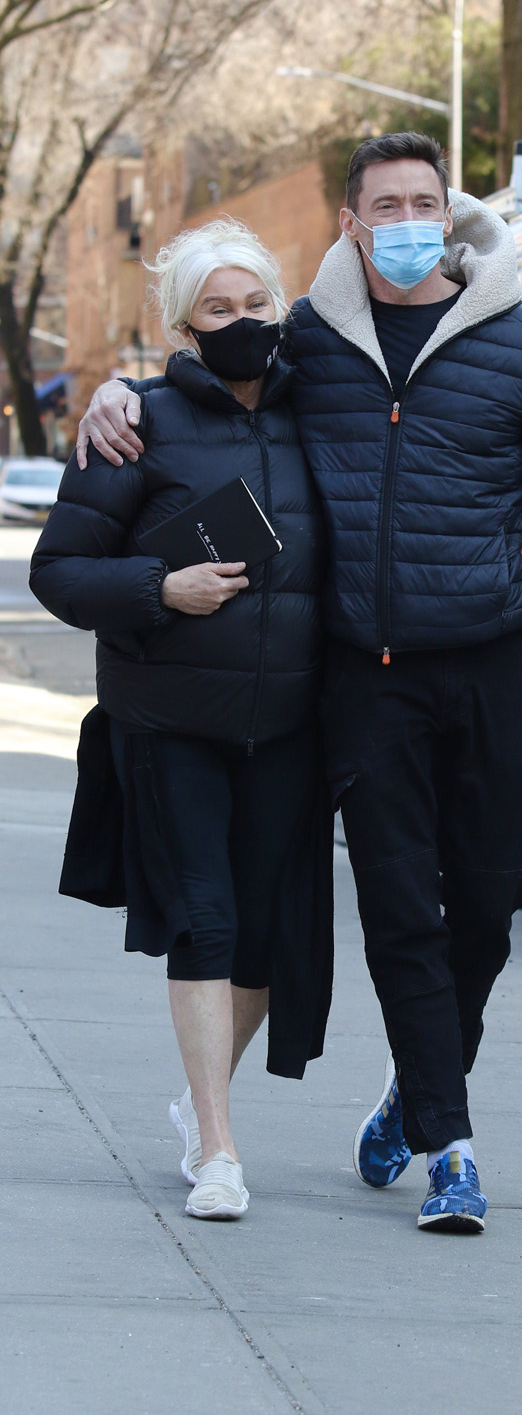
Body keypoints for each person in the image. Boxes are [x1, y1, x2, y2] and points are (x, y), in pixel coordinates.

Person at [77, 133, 522, 1236]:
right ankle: (453, 1152)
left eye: (425, 200)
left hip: (491, 665)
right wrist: (113, 397)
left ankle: (419, 1086)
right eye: (384, 205)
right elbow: (215, 385)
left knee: (494, 904)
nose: (407, 219)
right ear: (352, 225)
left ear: (448, 213)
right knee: (403, 910)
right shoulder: (309, 341)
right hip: (367, 682)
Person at [32, 219, 335, 1221]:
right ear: (184, 324)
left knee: (259, 941)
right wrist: (163, 587)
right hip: (169, 723)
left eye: (256, 304)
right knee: (204, 922)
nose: (243, 323)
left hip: (290, 726)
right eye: (219, 309)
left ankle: (199, 1100)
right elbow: (60, 573)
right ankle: (218, 1148)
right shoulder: (136, 424)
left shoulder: (321, 410)